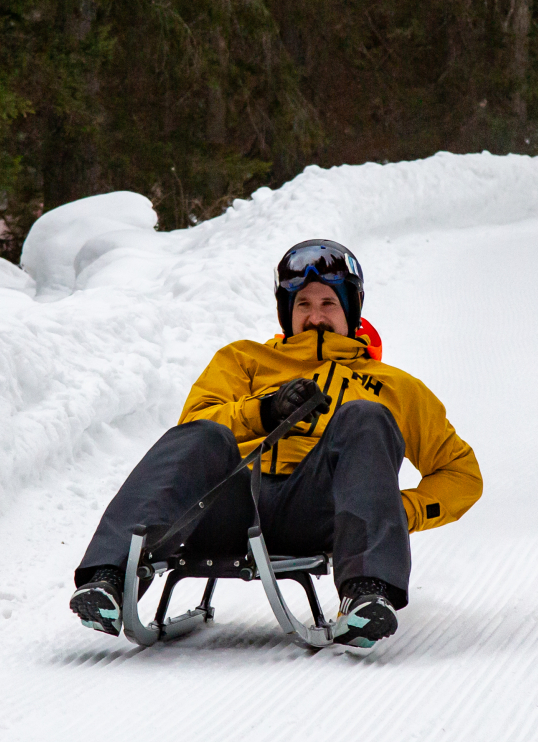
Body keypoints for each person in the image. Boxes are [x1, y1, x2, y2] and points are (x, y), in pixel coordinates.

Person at [69, 239, 482, 650]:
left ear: (351, 311)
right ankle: (108, 579)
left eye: (328, 304)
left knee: (365, 417)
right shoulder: (243, 360)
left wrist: (390, 512)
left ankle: (368, 591)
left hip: (316, 513)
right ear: (287, 311)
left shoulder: (395, 386)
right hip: (228, 503)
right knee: (205, 434)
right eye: (303, 304)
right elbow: (192, 430)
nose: (315, 316)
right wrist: (262, 411)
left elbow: (461, 475)